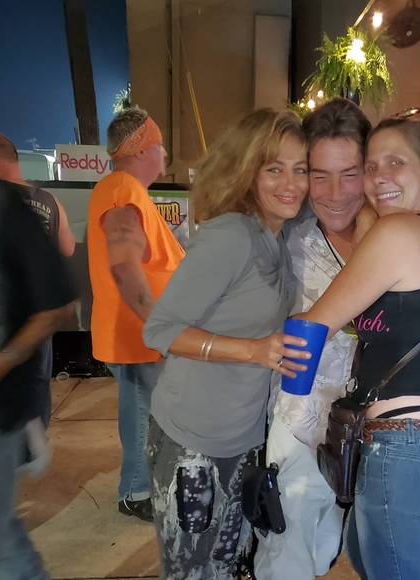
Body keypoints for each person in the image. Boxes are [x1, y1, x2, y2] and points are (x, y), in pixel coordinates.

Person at [254, 100, 420, 580]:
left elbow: (312, 328)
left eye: (390, 164)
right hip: (368, 437)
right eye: (372, 166)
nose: (378, 178)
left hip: (401, 442)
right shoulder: (417, 231)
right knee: (353, 557)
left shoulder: (397, 230)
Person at [142, 108, 311, 579]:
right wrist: (253, 350)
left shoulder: (278, 234)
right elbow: (159, 329)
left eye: (300, 169)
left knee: (227, 566)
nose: (291, 183)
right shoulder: (231, 236)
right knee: (190, 571)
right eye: (274, 168)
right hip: (193, 438)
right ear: (247, 170)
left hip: (244, 437)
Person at [87, 107, 185, 521]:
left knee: (144, 410)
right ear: (142, 149)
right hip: (139, 333)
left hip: (137, 331)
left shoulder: (122, 189)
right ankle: (136, 491)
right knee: (144, 412)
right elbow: (125, 267)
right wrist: (160, 328)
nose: (165, 153)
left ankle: (140, 485)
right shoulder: (123, 189)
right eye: (160, 145)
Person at [0, 179, 78, 580]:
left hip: (2, 404)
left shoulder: (6, 204)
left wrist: (5, 359)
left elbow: (57, 300)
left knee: (2, 546)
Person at [0, 133, 76, 430]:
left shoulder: (4, 202)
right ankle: (36, 434)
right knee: (38, 380)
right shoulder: (50, 201)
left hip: (9, 317)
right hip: (41, 310)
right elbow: (68, 248)